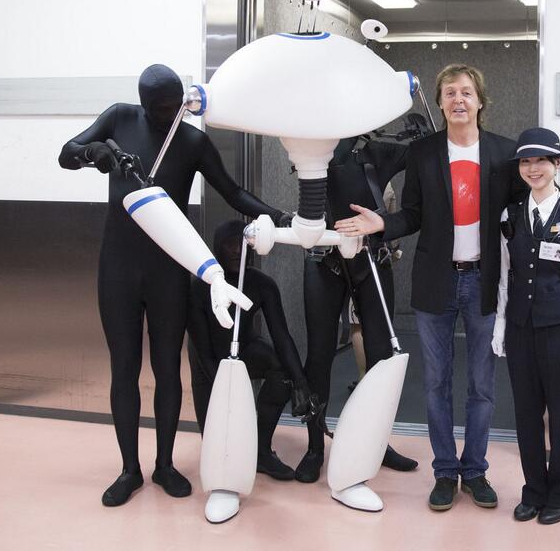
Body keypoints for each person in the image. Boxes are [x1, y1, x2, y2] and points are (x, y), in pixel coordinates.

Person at [336, 64, 560, 513]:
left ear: (480, 101)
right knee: (436, 384)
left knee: (482, 386)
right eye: (449, 92)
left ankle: (474, 470)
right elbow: (412, 214)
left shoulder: (504, 154)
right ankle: (444, 472)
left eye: (466, 92)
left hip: (486, 282)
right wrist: (382, 225)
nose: (458, 99)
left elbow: (536, 201)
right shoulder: (423, 153)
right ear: (440, 102)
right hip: (436, 282)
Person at [58, 64, 285, 507]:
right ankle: (129, 469)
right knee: (124, 368)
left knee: (167, 368)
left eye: (175, 105)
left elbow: (232, 191)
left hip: (168, 269)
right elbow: (67, 153)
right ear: (143, 103)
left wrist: (278, 216)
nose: (169, 114)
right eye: (160, 108)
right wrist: (94, 154)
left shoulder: (192, 141)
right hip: (118, 268)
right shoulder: (120, 118)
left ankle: (164, 464)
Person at [295, 134, 420, 484]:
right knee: (319, 355)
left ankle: (377, 443)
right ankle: (314, 447)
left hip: (372, 256)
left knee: (380, 357)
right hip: (324, 258)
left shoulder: (376, 149)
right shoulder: (311, 142)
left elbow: (425, 152)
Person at [491, 127, 560, 525]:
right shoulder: (510, 214)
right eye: (526, 161)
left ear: (557, 163)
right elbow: (506, 276)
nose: (533, 168)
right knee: (526, 415)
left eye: (541, 160)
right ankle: (534, 491)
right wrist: (501, 324)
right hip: (521, 329)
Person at [187, 220, 319, 481]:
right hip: (207, 361)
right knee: (216, 447)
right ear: (217, 248)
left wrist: (301, 383)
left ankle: (260, 451)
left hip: (246, 349)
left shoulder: (262, 285)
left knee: (282, 370)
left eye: (242, 244)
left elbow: (282, 337)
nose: (237, 250)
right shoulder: (199, 286)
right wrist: (225, 391)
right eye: (229, 245)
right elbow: (202, 351)